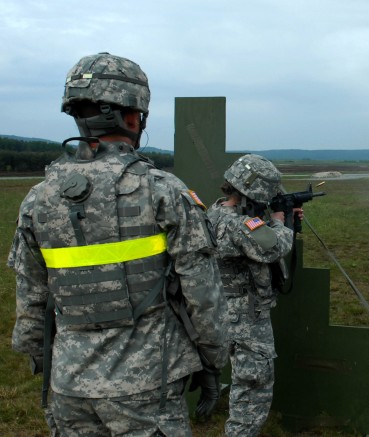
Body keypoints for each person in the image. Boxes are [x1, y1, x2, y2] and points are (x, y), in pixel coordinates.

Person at [9, 52, 228, 436]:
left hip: (69, 387)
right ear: (131, 116)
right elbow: (203, 295)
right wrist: (212, 360)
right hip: (146, 389)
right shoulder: (161, 191)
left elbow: (30, 305)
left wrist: (48, 361)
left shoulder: (38, 199)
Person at [207, 154, 300, 437]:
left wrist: (273, 221)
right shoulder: (239, 224)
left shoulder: (216, 211)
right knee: (253, 386)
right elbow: (273, 247)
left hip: (225, 309)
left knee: (246, 380)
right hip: (245, 317)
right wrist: (279, 221)